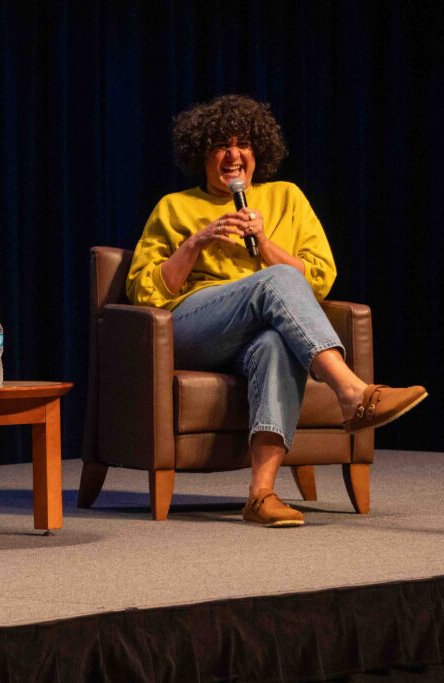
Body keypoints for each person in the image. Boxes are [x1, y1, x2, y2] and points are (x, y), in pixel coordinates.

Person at [127, 94, 427, 527]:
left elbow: (321, 277)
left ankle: (261, 494)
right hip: (194, 329)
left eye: (243, 143)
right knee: (281, 281)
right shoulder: (175, 207)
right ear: (201, 154)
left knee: (275, 344)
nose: (233, 155)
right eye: (220, 145)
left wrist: (264, 244)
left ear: (258, 152)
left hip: (258, 330)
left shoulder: (286, 197)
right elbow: (144, 292)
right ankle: (352, 392)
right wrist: (196, 243)